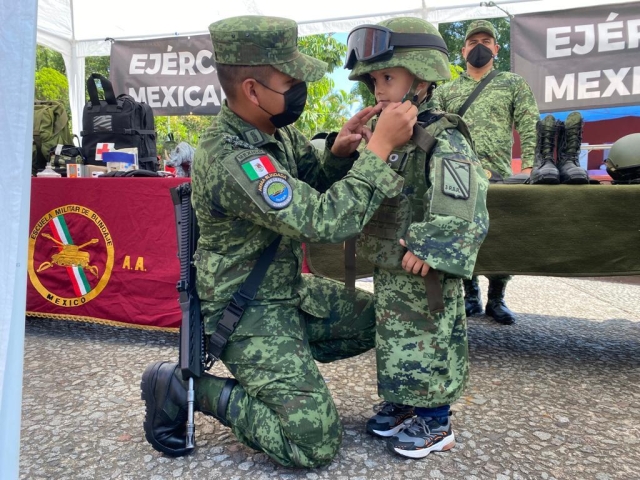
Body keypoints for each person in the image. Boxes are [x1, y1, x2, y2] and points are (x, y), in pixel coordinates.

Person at [140, 15, 421, 468]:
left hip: (286, 291)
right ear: (252, 90)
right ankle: (189, 388)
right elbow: (325, 222)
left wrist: (337, 154)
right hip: (245, 311)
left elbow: (306, 186)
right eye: (290, 80)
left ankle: (283, 368)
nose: (300, 89)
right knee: (314, 444)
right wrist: (378, 151)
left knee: (384, 319)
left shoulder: (275, 130)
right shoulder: (232, 157)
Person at [345, 18, 489, 459]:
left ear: (422, 77)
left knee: (431, 338)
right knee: (396, 340)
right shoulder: (394, 138)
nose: (379, 88)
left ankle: (436, 418)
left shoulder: (441, 137)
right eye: (373, 80)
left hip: (424, 267)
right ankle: (406, 402)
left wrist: (433, 246)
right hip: (391, 264)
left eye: (388, 77)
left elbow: (464, 199)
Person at [431, 19, 540, 325]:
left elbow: (529, 124)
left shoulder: (512, 83)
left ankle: (497, 298)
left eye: (485, 41)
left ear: (496, 48)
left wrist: (530, 165)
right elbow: (436, 130)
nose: (479, 47)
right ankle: (470, 296)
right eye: (473, 42)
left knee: (501, 234)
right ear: (463, 50)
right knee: (464, 233)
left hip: (501, 173)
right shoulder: (447, 90)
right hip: (459, 173)